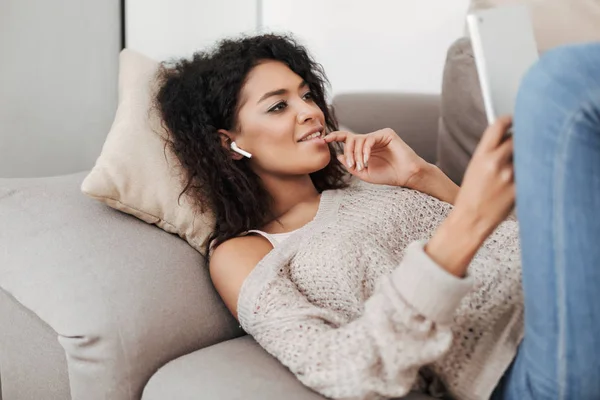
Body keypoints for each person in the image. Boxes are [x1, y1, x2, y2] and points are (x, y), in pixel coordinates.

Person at [153, 33, 600, 400]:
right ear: (229, 144)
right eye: (278, 106)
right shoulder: (244, 253)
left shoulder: (364, 182)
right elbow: (340, 368)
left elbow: (511, 244)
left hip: (567, 294)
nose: (310, 111)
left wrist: (423, 177)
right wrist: (465, 226)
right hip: (522, 363)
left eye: (306, 95)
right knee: (558, 83)